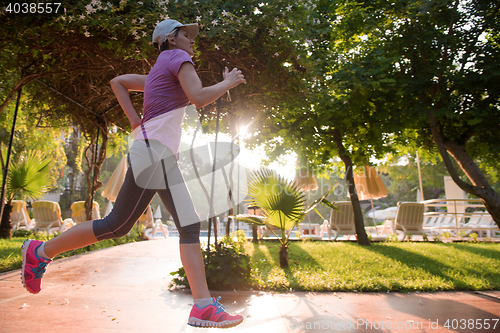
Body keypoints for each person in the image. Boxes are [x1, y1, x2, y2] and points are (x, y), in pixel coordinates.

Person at [21, 19, 246, 329]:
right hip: (154, 152)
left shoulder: (158, 69)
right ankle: (39, 251)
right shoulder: (179, 59)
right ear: (170, 39)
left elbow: (118, 81)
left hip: (159, 153)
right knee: (118, 224)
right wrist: (229, 82)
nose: (192, 41)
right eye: (186, 35)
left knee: (189, 225)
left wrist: (134, 122)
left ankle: (203, 306)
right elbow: (198, 97)